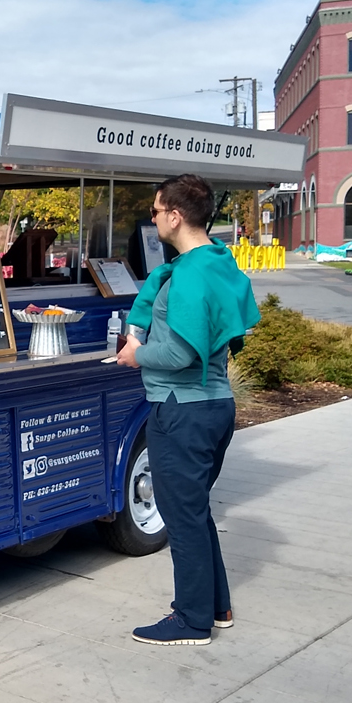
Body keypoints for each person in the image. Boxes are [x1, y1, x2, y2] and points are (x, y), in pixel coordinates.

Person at [116, 174, 259, 646]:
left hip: (182, 411)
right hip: (214, 406)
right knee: (194, 511)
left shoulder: (190, 276)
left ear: (175, 216)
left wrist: (136, 354)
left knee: (181, 518)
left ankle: (191, 621)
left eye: (157, 210)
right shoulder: (214, 262)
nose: (153, 217)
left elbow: (179, 354)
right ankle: (216, 607)